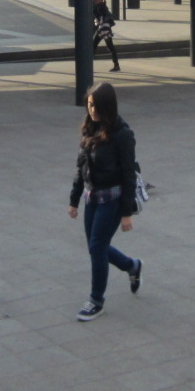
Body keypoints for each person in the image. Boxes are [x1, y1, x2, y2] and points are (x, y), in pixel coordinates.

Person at [66, 81, 141, 322]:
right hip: (92, 196)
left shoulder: (123, 135)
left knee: (97, 246)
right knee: (95, 246)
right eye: (89, 105)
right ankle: (131, 265)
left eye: (97, 106)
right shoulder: (88, 129)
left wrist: (127, 213)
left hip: (113, 198)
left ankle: (96, 300)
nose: (93, 111)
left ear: (109, 107)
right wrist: (74, 200)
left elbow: (129, 174)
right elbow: (81, 167)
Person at [92, 0, 121, 72]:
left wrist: (99, 21)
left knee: (94, 45)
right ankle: (116, 65)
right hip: (104, 28)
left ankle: (89, 65)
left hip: (103, 29)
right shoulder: (102, 6)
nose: (94, 1)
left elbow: (102, 16)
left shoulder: (100, 7)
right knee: (109, 46)